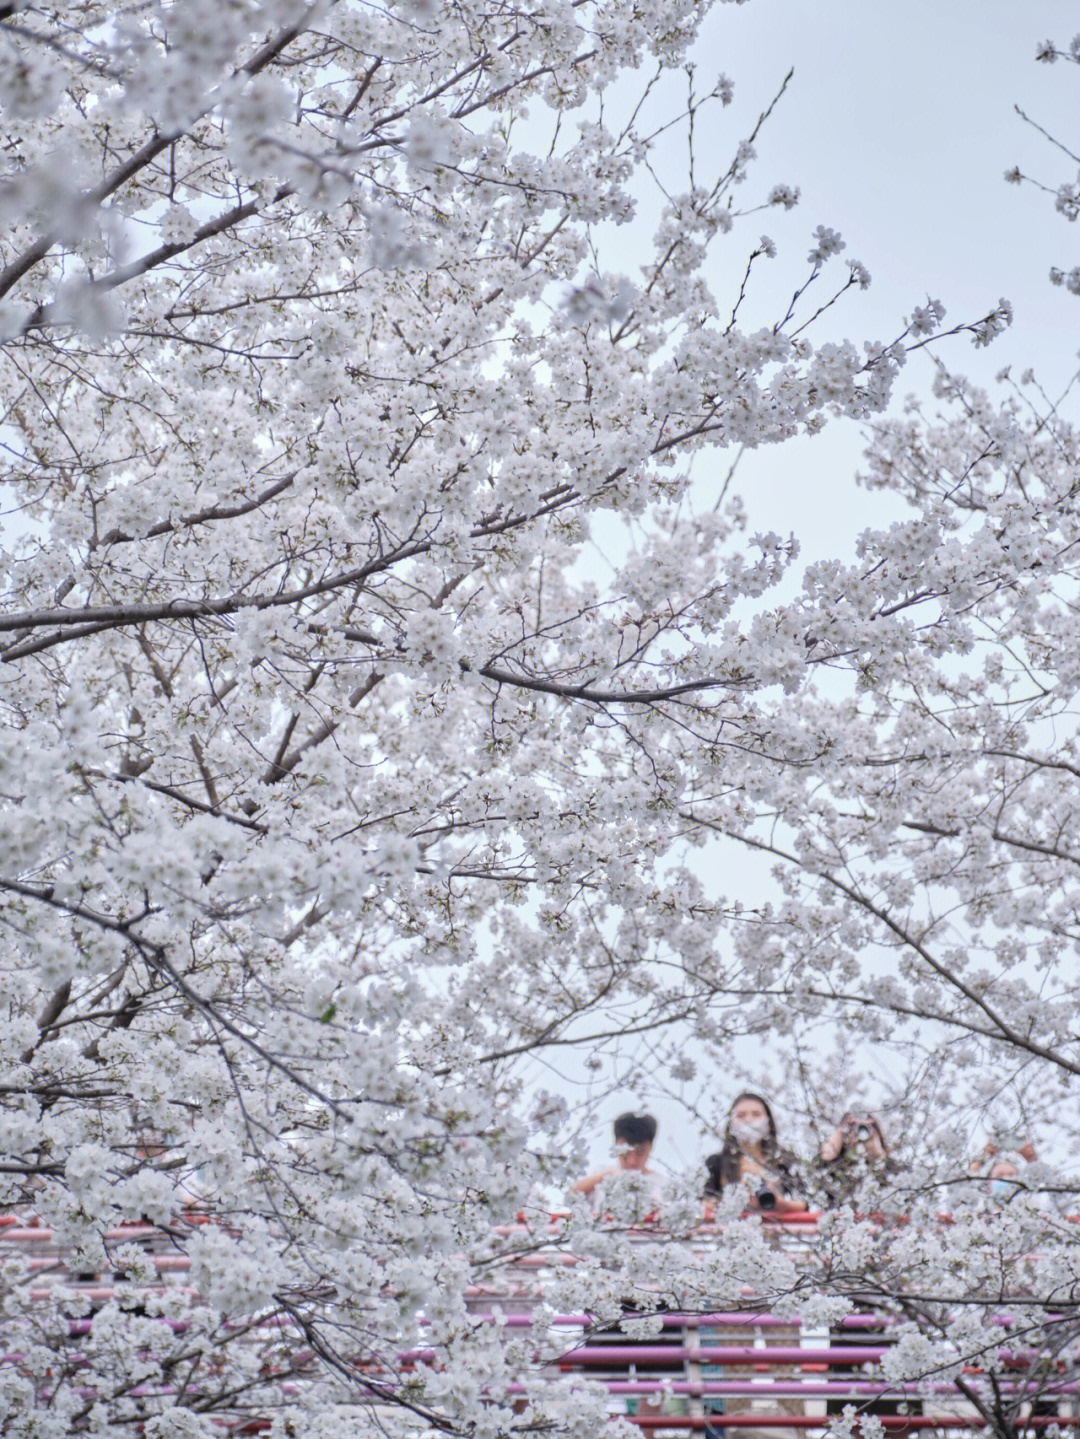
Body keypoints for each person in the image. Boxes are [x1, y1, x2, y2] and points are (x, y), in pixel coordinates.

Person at [703, 1093, 804, 1213]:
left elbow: (808, 1203)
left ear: (768, 1121)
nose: (748, 1120)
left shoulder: (785, 1161)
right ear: (730, 1123)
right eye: (740, 1116)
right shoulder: (716, 1163)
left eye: (756, 1115)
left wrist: (781, 1203)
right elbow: (704, 1202)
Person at [571, 1112, 658, 1199]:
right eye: (624, 1153)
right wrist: (606, 1175)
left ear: (651, 1147)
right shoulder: (600, 1174)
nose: (632, 1161)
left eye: (640, 1152)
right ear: (615, 1144)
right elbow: (571, 1194)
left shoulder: (663, 1184)